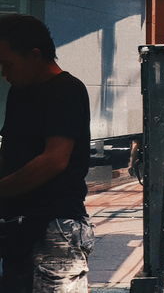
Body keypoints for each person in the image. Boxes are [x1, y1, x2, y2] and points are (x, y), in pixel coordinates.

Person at [0, 15, 94, 292]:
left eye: (8, 64)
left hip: (57, 225)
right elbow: (10, 153)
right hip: (17, 225)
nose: (4, 74)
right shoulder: (18, 92)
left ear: (35, 55)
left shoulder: (66, 90)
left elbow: (54, 160)